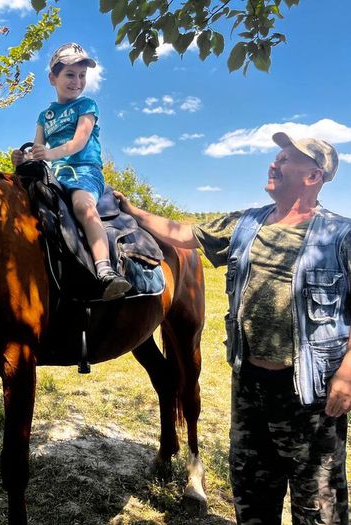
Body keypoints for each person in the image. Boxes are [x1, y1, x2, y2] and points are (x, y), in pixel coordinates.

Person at [115, 133, 350, 524]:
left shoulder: (339, 235)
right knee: (251, 496)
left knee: (318, 507)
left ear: (313, 175)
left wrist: (346, 371)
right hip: (249, 386)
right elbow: (183, 233)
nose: (274, 163)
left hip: (310, 395)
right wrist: (134, 211)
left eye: (285, 159)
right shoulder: (247, 224)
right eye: (276, 156)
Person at [11, 42, 131, 301]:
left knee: (82, 207)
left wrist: (50, 154)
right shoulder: (46, 115)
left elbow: (79, 142)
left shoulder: (86, 105)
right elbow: (38, 148)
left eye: (82, 75)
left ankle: (104, 270)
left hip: (85, 172)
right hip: (55, 175)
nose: (77, 81)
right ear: (53, 78)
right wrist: (23, 159)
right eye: (69, 75)